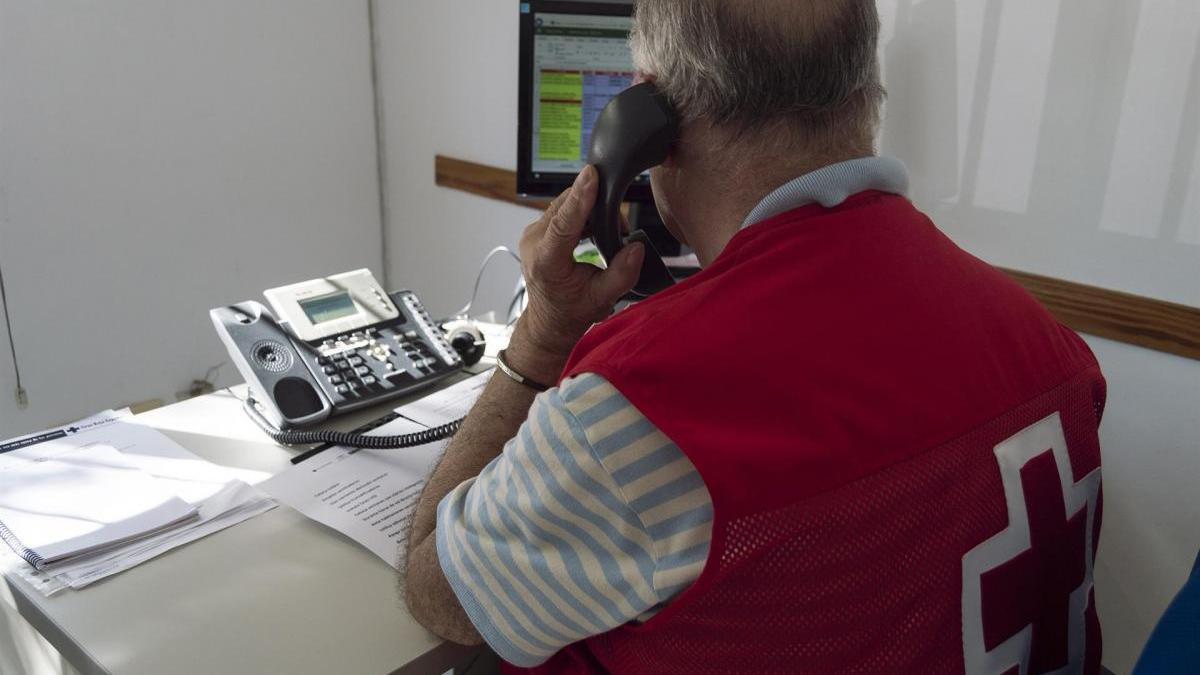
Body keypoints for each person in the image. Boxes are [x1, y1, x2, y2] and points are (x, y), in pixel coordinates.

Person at [404, 1, 1107, 673]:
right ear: (863, 87)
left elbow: (440, 591)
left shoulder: (637, 411)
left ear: (647, 120)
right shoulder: (1053, 349)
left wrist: (539, 340)